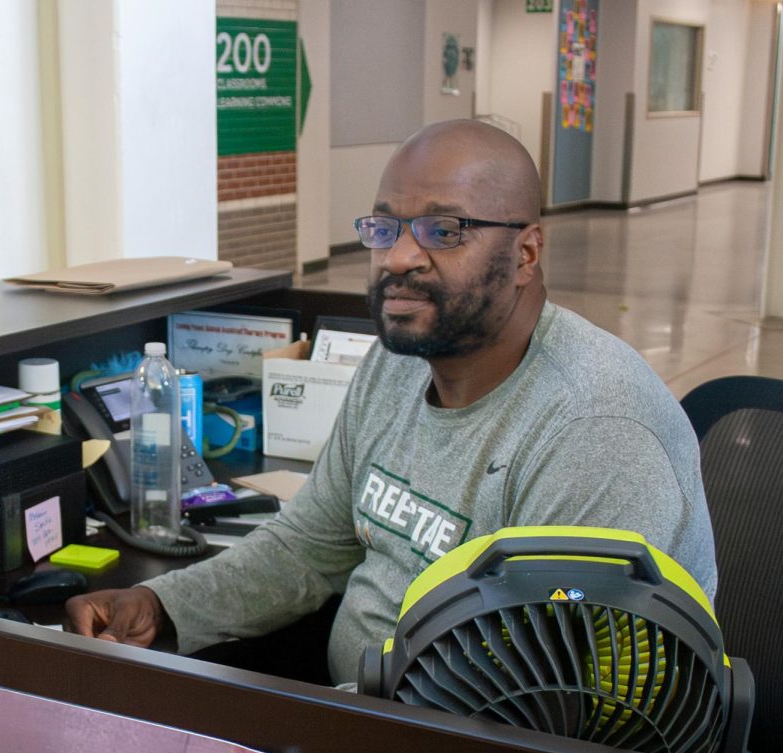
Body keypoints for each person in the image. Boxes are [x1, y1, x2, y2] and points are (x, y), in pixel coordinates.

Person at [67, 119, 716, 687]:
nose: (400, 257)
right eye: (385, 227)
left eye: (444, 229)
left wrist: (325, 729)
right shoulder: (399, 361)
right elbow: (306, 548)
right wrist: (162, 605)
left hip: (481, 751)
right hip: (377, 721)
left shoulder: (594, 431)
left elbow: (534, 693)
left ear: (526, 252)